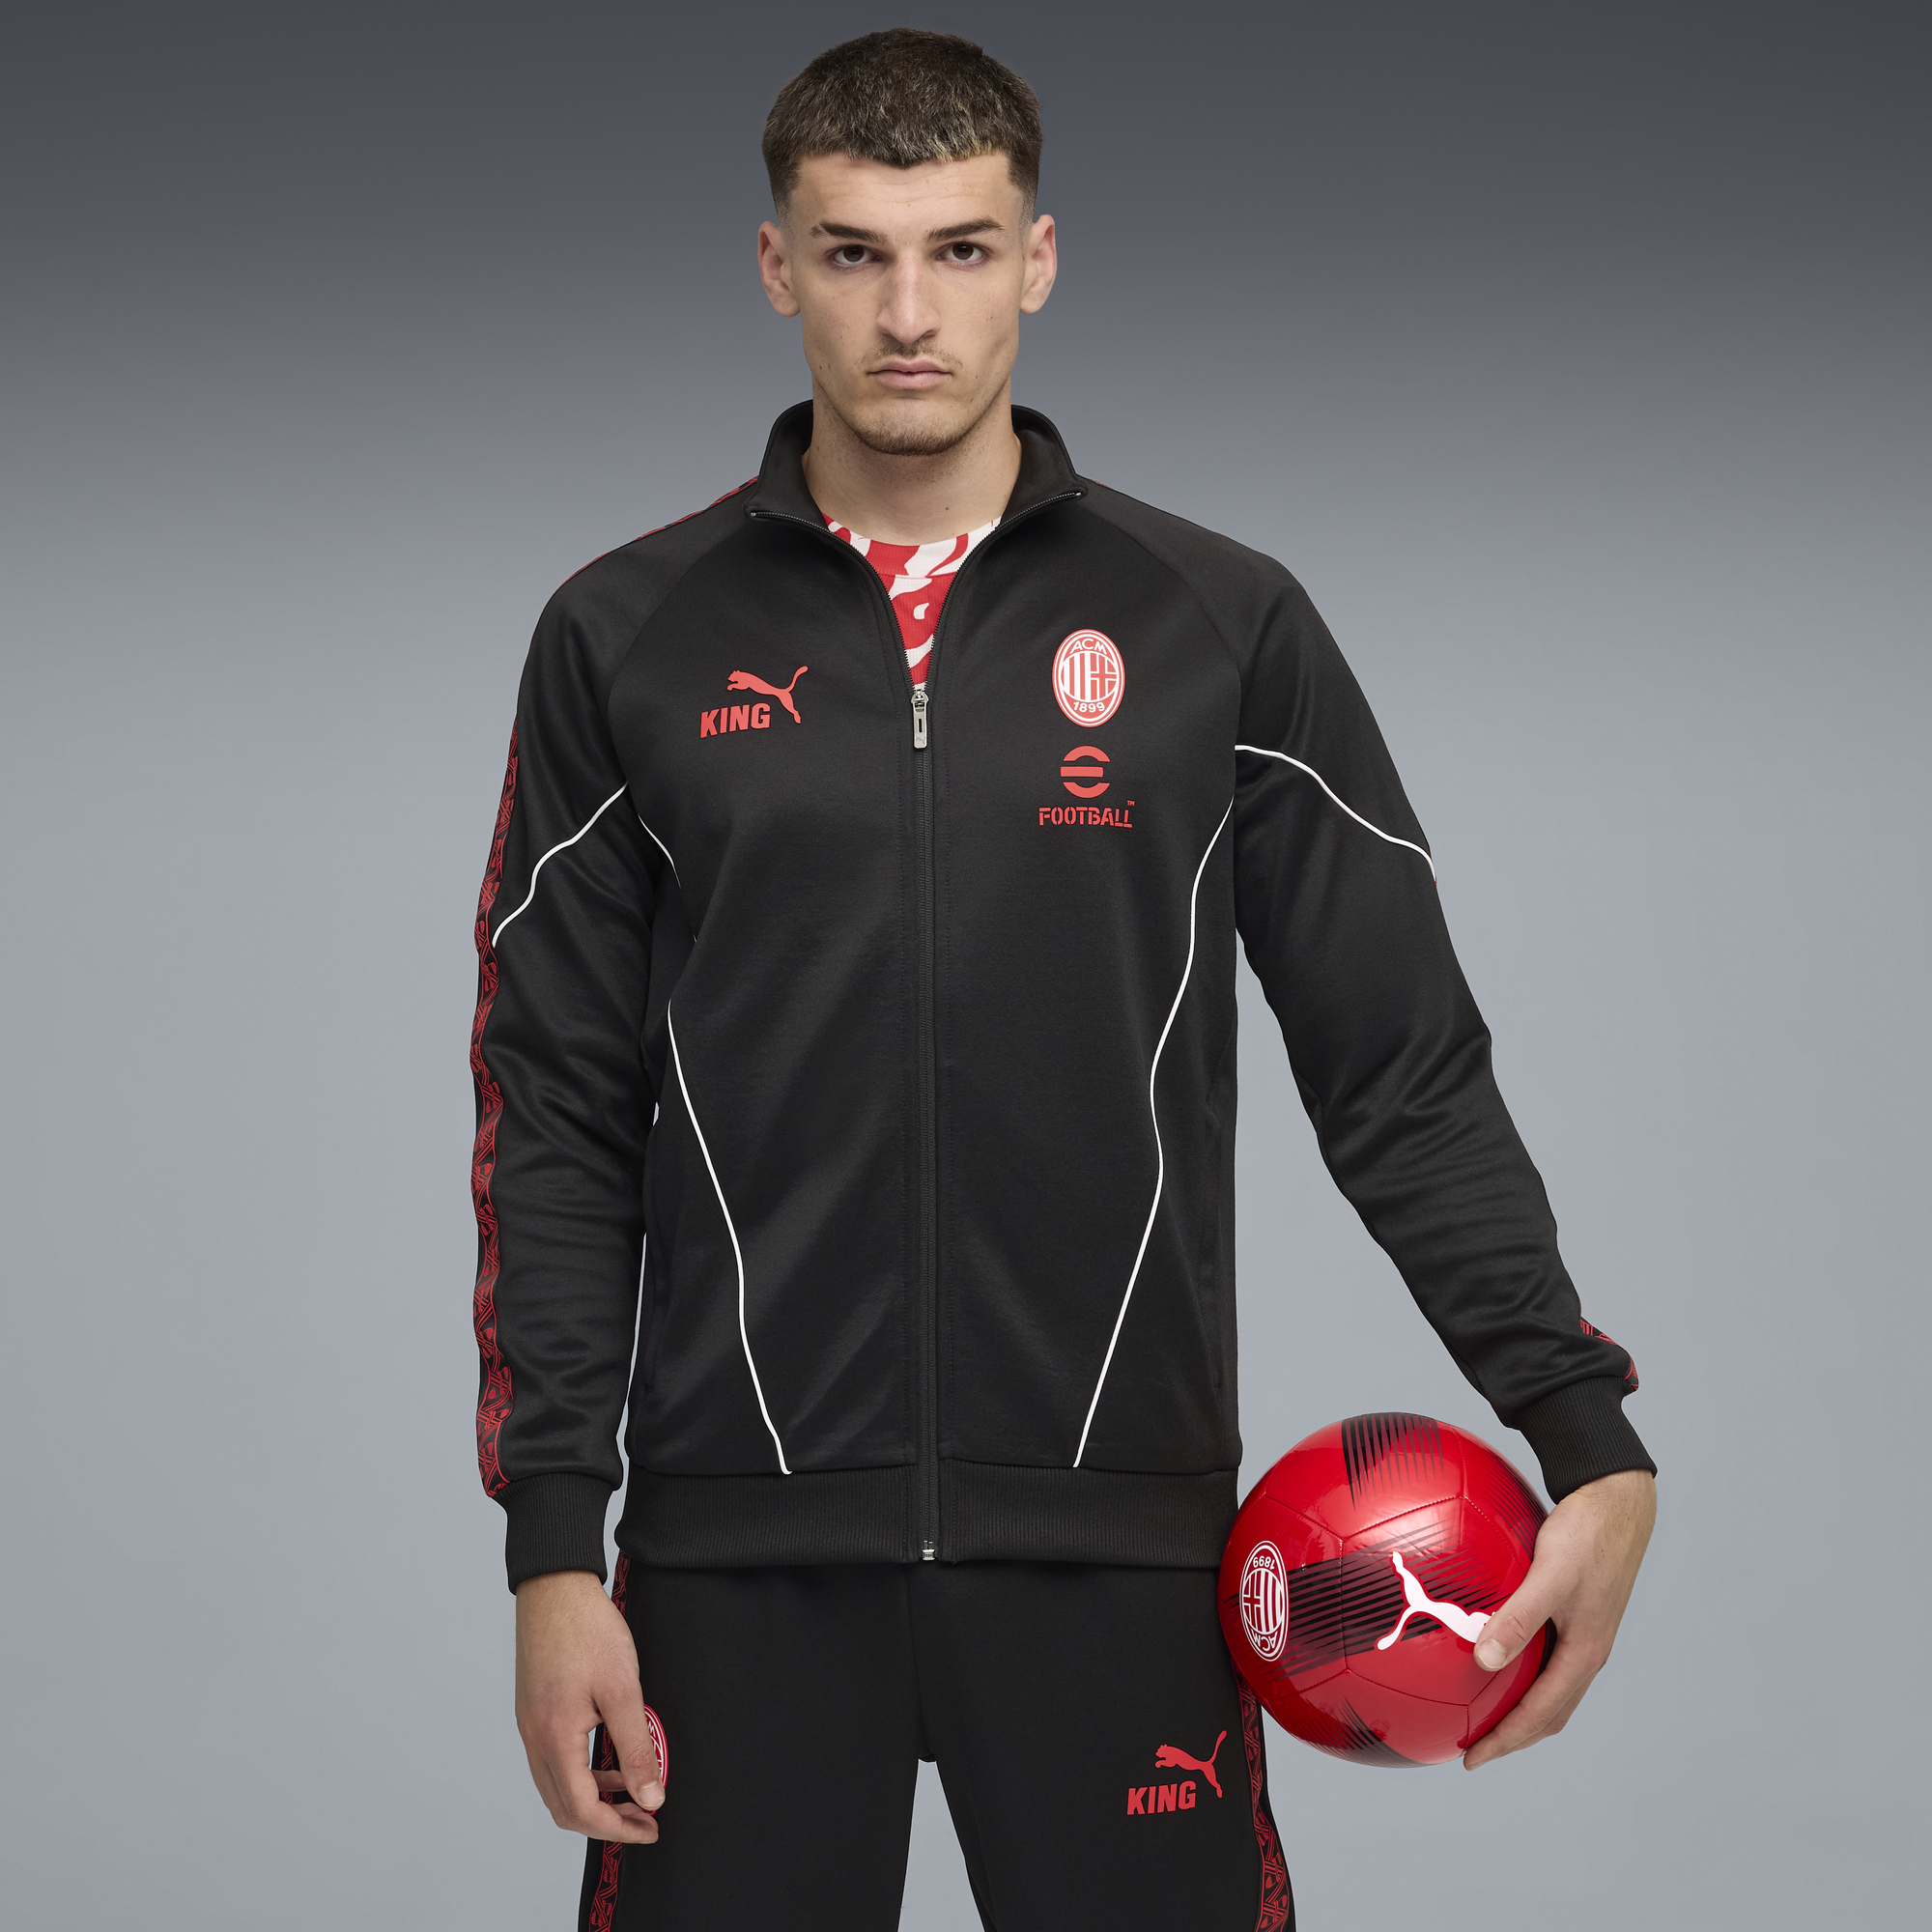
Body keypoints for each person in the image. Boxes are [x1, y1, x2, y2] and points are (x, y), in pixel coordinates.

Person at [469, 29, 1657, 1932]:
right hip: (735, 1561)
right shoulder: (626, 637)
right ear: (776, 267)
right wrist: (553, 1549)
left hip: (1122, 1549)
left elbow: (1400, 1068)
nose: (907, 313)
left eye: (958, 249)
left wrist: (1578, 1426)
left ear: (1037, 259)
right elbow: (556, 1109)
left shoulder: (1218, 626)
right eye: (854, 254)